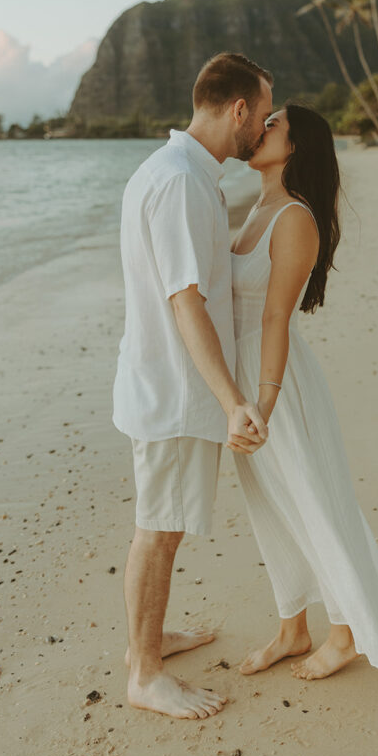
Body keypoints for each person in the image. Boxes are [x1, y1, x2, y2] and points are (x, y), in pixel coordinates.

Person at [112, 52, 274, 720]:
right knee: (158, 529)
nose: (262, 130)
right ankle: (144, 673)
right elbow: (187, 302)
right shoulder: (179, 182)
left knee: (166, 526)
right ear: (237, 109)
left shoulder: (181, 172)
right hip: (176, 389)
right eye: (261, 116)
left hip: (164, 381)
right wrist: (233, 400)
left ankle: (147, 643)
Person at [230, 103, 378, 679]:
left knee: (315, 501)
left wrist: (264, 403)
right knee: (273, 507)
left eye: (271, 124)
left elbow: (276, 316)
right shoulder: (259, 204)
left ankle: (346, 632)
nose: (258, 129)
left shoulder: (295, 217)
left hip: (277, 384)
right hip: (248, 383)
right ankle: (292, 630)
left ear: (296, 145)